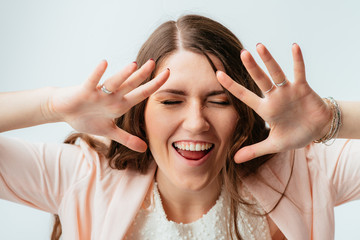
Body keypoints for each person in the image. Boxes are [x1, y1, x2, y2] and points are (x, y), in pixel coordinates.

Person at [0, 14, 360, 240]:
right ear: (140, 112)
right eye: (171, 101)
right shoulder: (84, 175)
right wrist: (51, 105)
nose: (196, 122)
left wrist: (330, 119)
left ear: (242, 111)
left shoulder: (305, 173)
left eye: (219, 101)